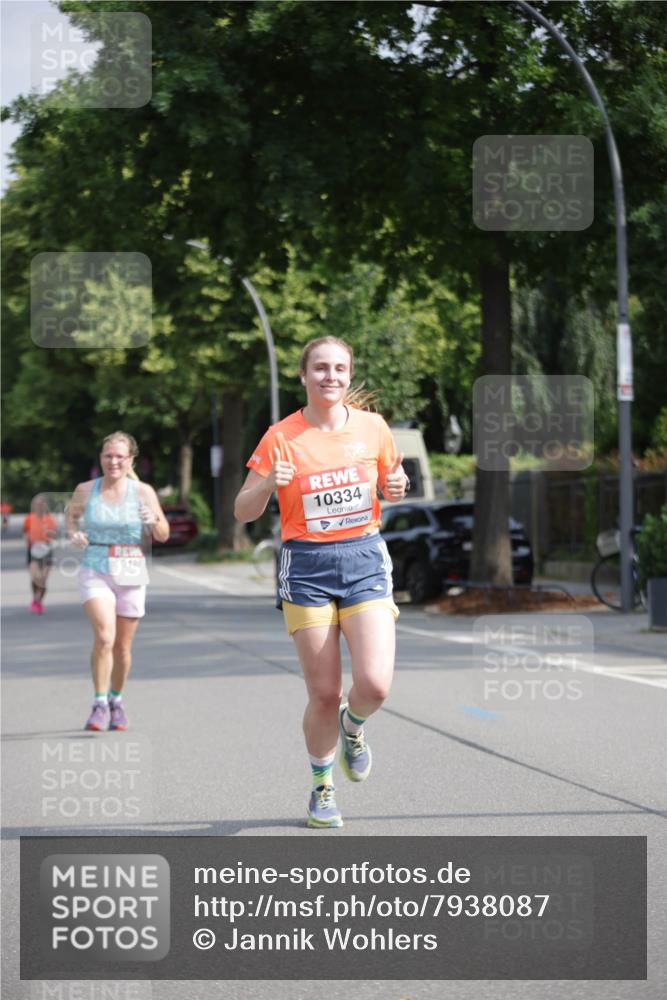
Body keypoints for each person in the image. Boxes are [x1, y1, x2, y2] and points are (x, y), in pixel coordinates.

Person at [234, 336, 409, 828]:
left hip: (364, 559)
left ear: (349, 375)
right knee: (325, 693)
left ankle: (353, 730)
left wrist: (397, 487)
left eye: (339, 368)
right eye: (320, 368)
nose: (330, 376)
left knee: (373, 685)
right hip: (306, 565)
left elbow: (393, 483)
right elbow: (243, 510)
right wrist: (270, 482)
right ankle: (322, 788)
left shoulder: (373, 428)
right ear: (303, 375)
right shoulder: (280, 436)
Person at [66, 432, 169, 732]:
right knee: (105, 637)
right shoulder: (85, 490)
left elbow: (162, 533)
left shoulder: (143, 492)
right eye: (108, 456)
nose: (113, 461)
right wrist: (75, 533)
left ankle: (116, 700)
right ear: (101, 458)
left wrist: (153, 520)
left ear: (130, 460)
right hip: (95, 566)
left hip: (131, 568)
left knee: (122, 647)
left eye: (119, 456)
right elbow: (71, 518)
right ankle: (99, 704)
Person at [23, 496, 57, 613]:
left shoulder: (49, 519)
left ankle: (38, 601)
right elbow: (25, 532)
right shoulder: (29, 518)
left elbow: (54, 535)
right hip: (32, 551)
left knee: (43, 579)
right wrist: (28, 540)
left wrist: (50, 534)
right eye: (37, 504)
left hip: (46, 550)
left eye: (41, 504)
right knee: (35, 577)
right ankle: (35, 598)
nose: (39, 506)